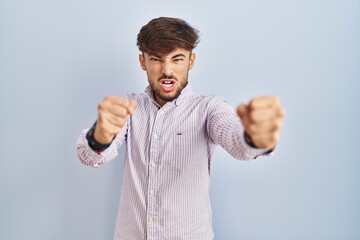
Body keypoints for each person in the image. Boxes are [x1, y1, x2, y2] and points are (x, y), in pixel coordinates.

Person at [76, 17, 285, 240]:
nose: (167, 70)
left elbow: (235, 140)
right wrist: (100, 137)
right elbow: (89, 157)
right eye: (156, 59)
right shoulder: (128, 107)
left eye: (177, 59)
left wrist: (253, 138)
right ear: (142, 62)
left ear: (191, 61)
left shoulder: (209, 108)